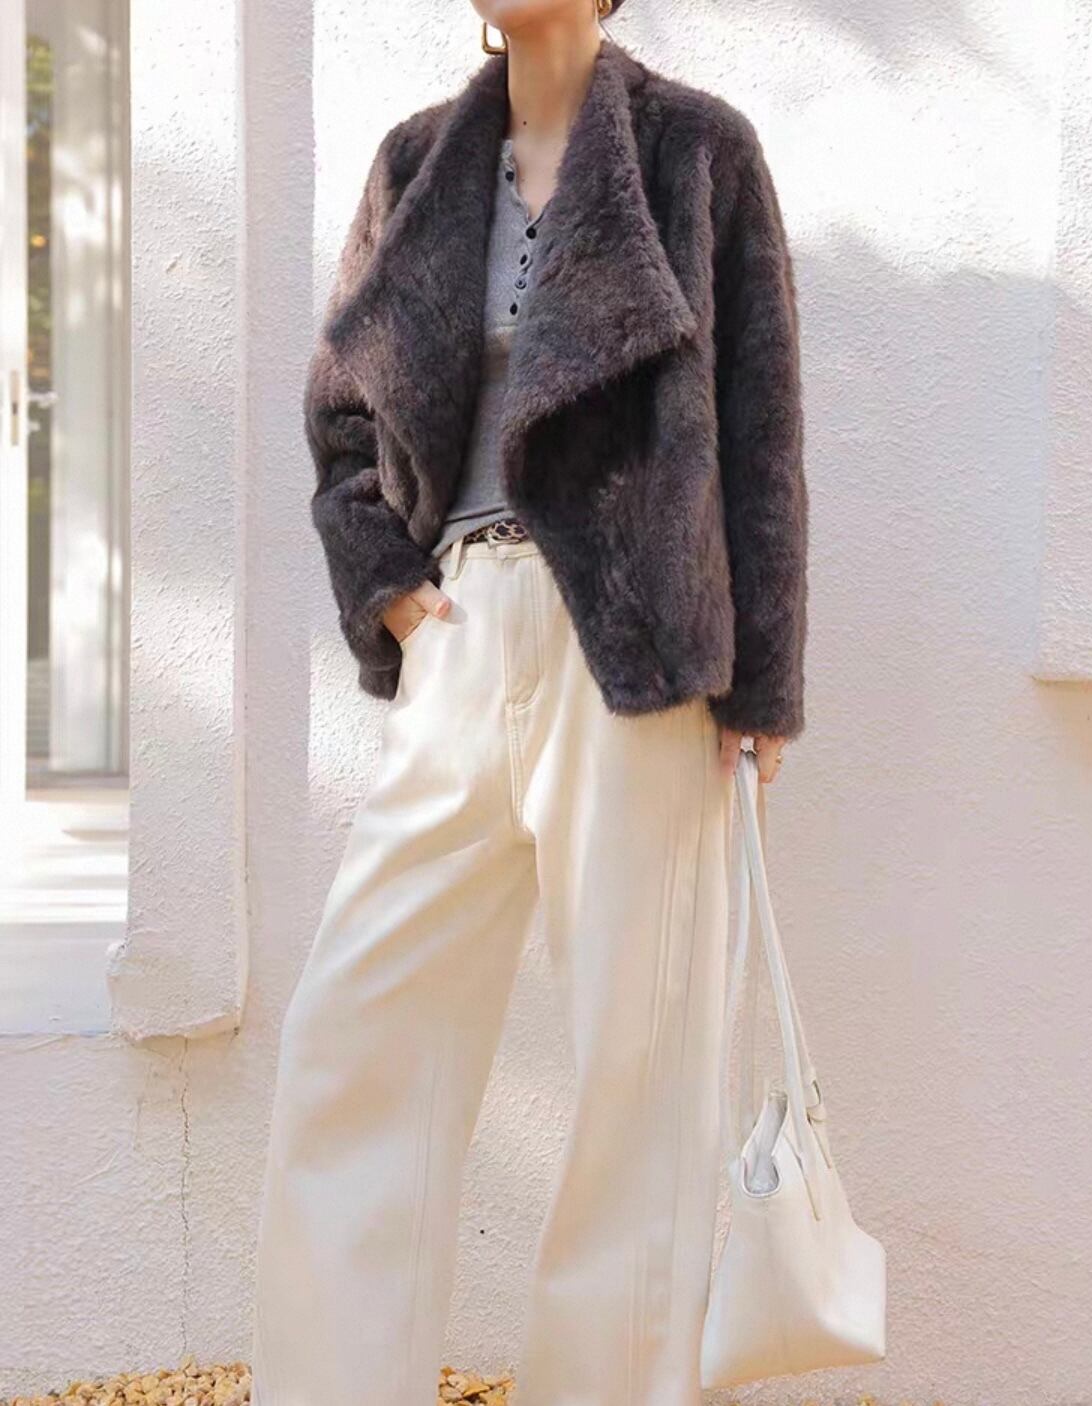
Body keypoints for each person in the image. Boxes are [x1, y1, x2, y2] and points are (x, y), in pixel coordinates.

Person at [249, 2, 807, 1403]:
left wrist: (763, 682)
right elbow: (342, 413)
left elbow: (761, 432)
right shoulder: (417, 161)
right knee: (352, 1046)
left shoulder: (695, 153)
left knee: (639, 1083)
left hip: (634, 654)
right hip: (461, 633)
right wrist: (385, 585)